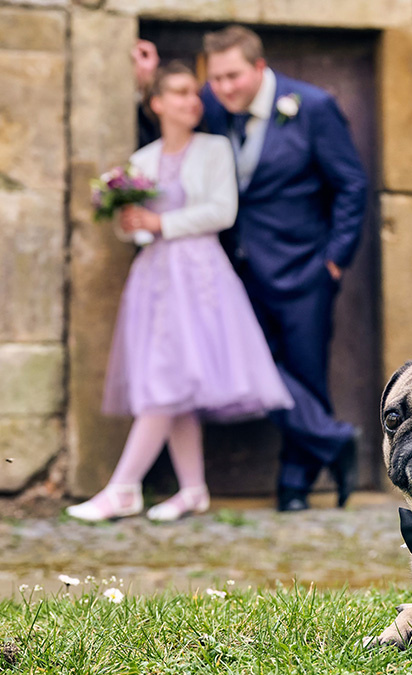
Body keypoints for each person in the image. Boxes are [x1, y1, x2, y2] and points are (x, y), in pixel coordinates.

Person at [134, 28, 369, 512]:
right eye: (214, 79)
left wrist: (335, 260)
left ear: (259, 68)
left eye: (232, 76)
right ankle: (332, 439)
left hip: (306, 269)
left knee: (305, 371)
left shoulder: (313, 106)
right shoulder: (214, 106)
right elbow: (169, 139)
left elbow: (351, 185)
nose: (222, 89)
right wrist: (145, 86)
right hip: (235, 273)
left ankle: (295, 486)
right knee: (251, 371)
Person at [67, 62, 293, 522]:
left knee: (170, 383)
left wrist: (161, 223)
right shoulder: (144, 160)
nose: (192, 101)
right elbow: (136, 229)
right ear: (157, 104)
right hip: (156, 280)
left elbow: (223, 211)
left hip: (200, 275)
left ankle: (124, 487)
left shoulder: (213, 150)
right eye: (180, 93)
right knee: (171, 382)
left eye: (194, 93)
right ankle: (192, 489)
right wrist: (133, 225)